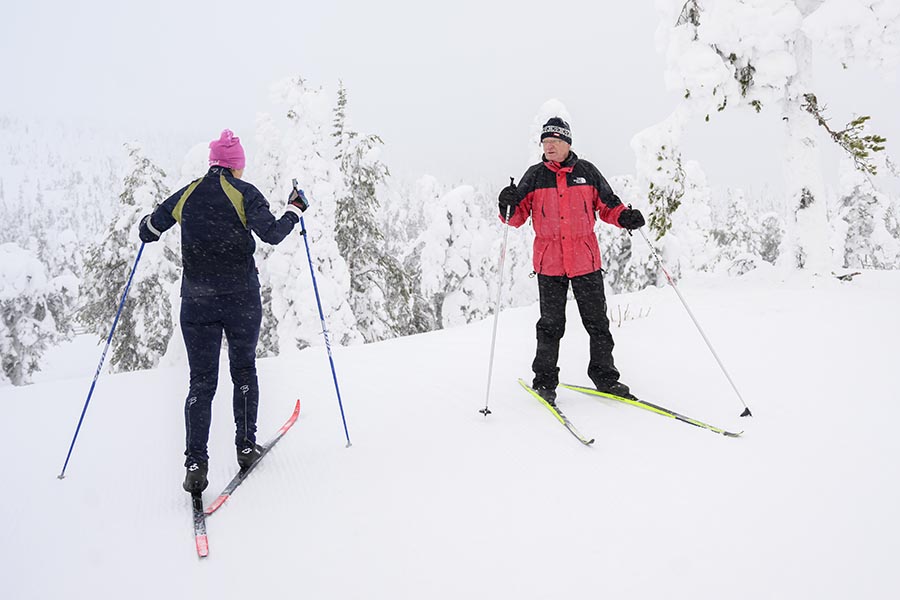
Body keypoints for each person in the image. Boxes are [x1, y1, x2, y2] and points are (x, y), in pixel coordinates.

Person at [138, 129, 309, 493]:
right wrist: (295, 208)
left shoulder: (187, 193)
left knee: (201, 381)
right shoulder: (245, 193)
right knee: (244, 369)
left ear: (213, 163)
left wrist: (146, 228)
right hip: (240, 299)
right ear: (236, 166)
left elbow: (151, 229)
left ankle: (195, 464)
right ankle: (246, 447)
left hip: (197, 301)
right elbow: (273, 234)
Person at [498, 117, 645, 405]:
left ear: (567, 143)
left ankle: (605, 378)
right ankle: (544, 382)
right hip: (549, 264)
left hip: (585, 262)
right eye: (545, 142)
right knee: (550, 325)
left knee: (597, 323)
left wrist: (624, 217)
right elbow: (514, 219)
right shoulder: (535, 176)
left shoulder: (587, 172)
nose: (548, 146)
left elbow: (608, 205)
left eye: (554, 141)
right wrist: (506, 203)